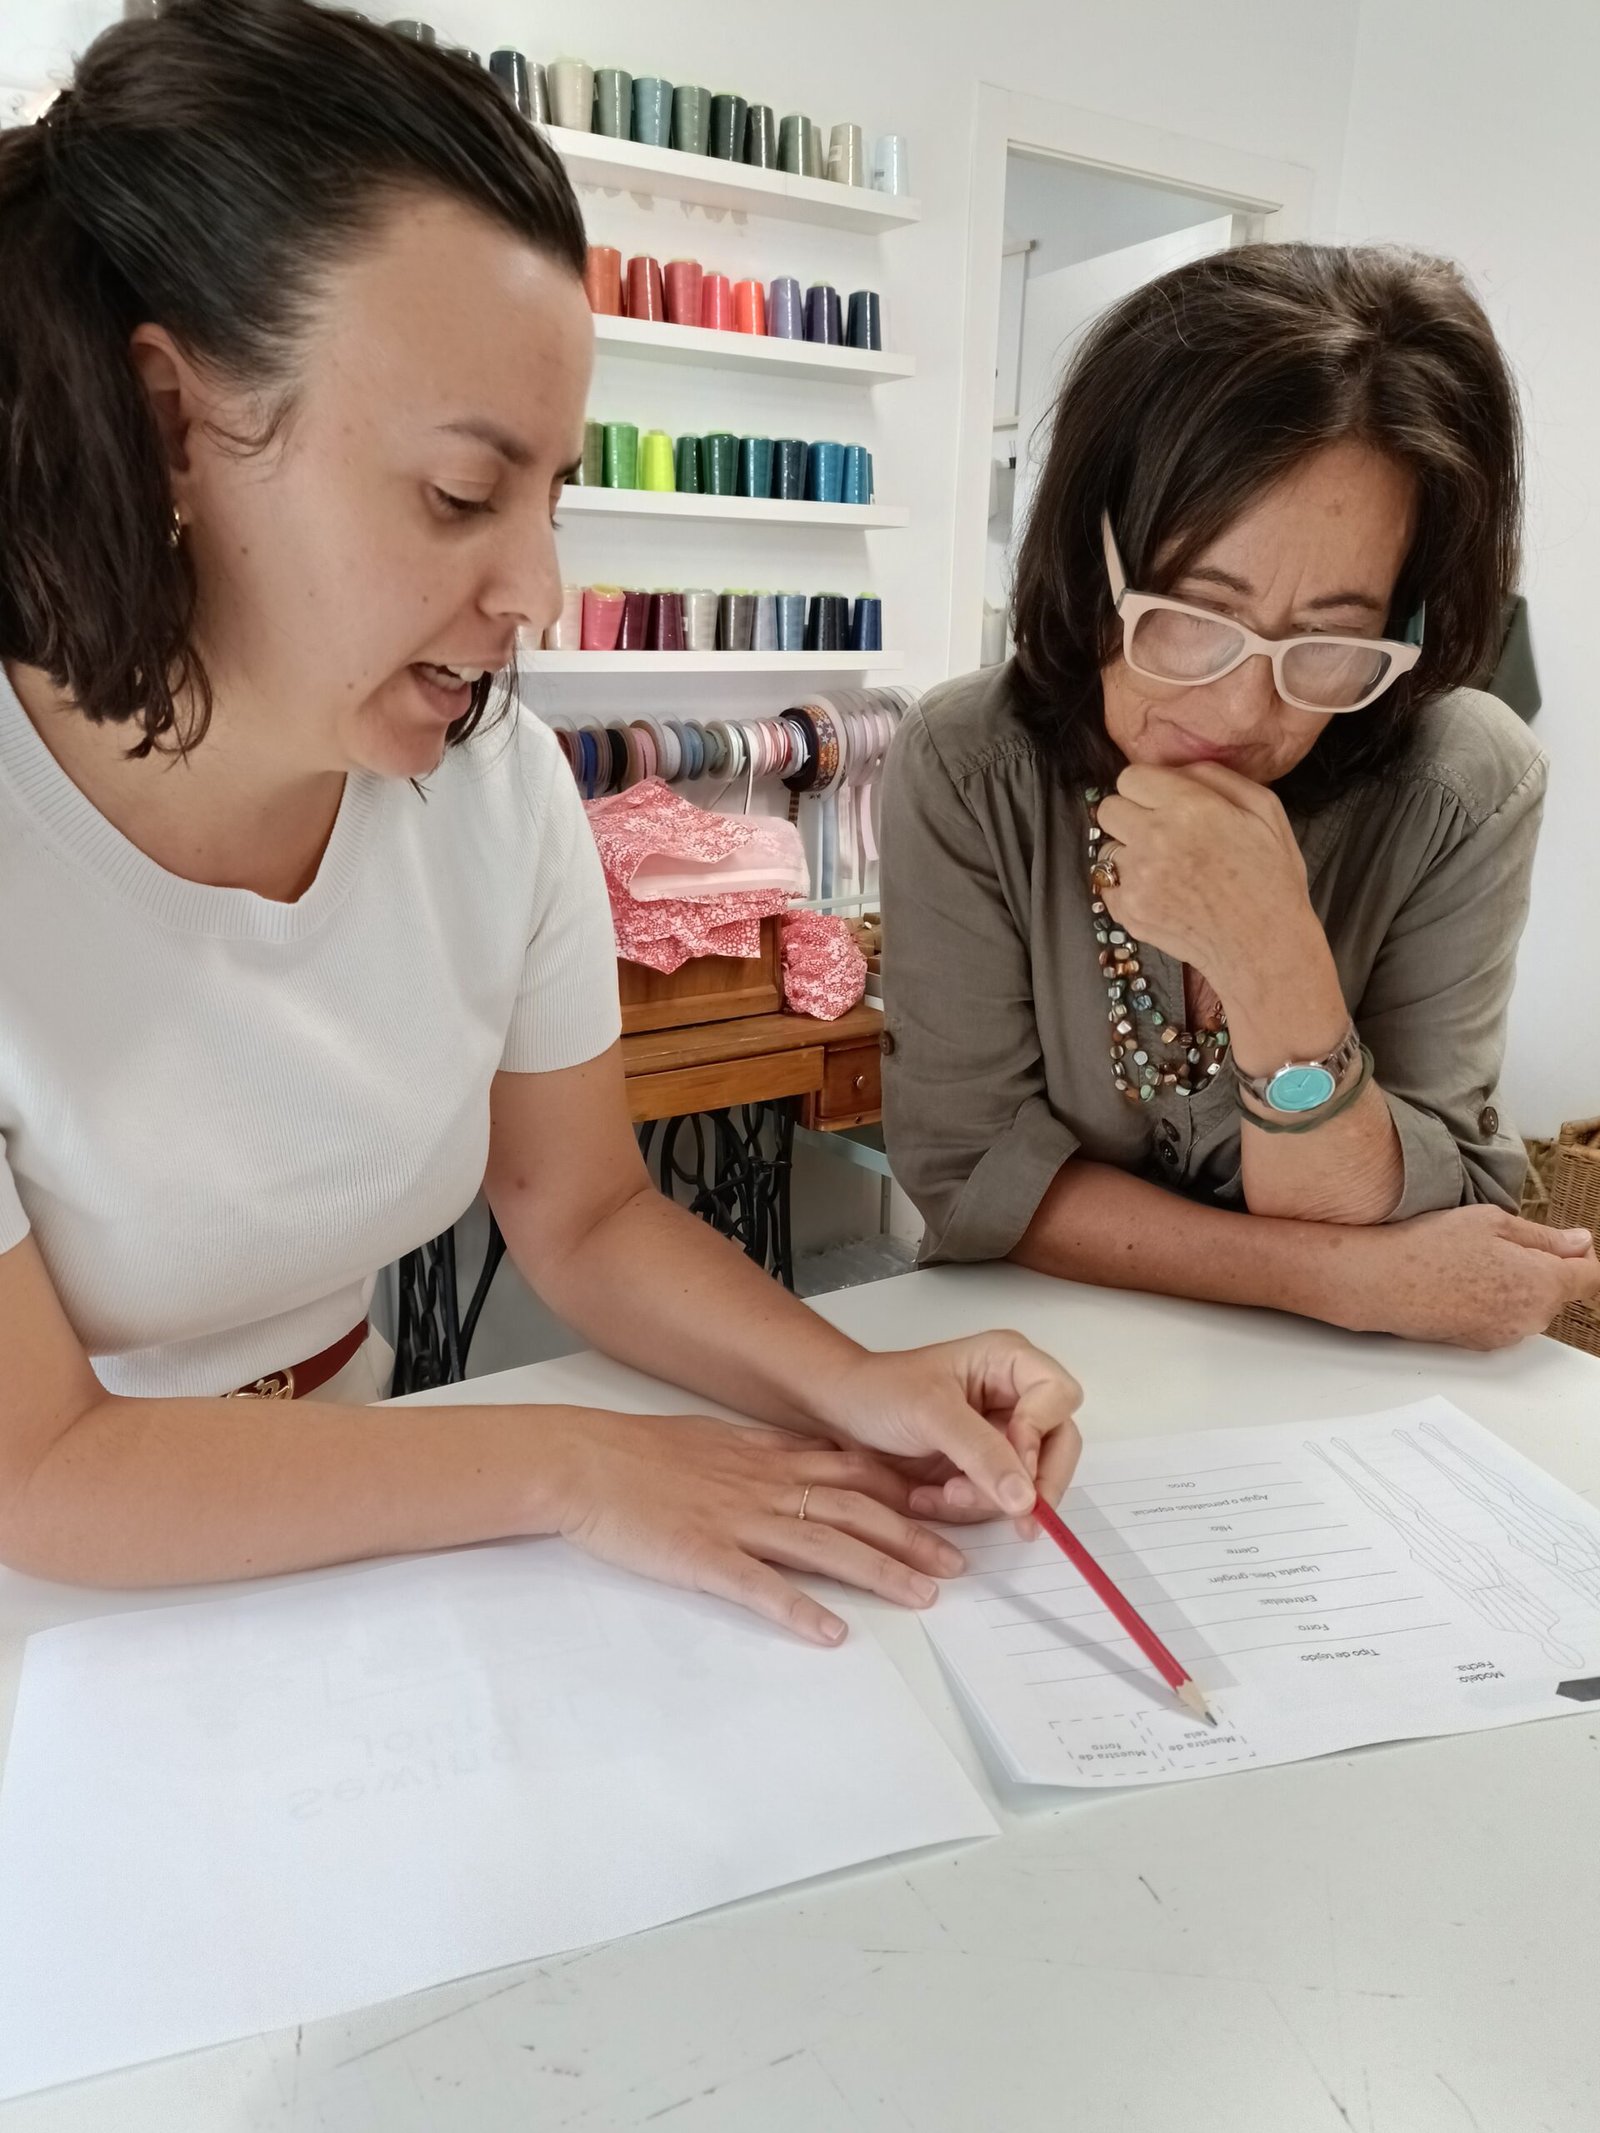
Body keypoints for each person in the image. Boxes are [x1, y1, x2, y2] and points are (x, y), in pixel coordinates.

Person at [0, 0, 1083, 1637]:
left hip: (352, 1521)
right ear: (170, 427)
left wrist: (860, 1387)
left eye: (552, 494)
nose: (541, 596)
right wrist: (575, 1465)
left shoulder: (482, 780)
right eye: (459, 494)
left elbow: (579, 1209)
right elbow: (44, 1467)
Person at [880, 243, 1600, 1352]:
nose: (1244, 704)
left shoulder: (1464, 783)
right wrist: (1345, 1282)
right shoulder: (969, 763)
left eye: (1332, 639)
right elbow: (973, 1180)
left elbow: (1426, 1190)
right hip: (1045, 1362)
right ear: (1094, 561)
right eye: (1194, 611)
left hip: (1344, 1413)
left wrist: (1273, 966)